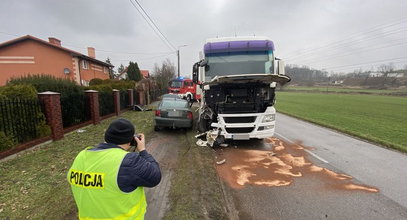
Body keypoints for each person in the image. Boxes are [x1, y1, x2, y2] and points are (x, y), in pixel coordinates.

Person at [67, 118, 161, 220]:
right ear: (131, 141)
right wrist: (142, 150)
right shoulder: (128, 161)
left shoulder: (81, 156)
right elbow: (155, 176)